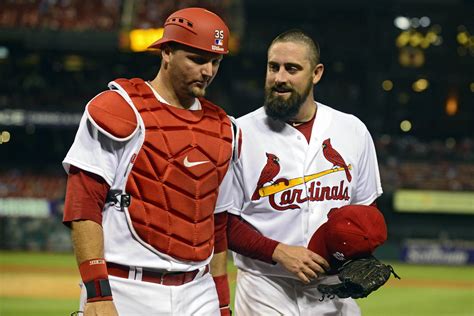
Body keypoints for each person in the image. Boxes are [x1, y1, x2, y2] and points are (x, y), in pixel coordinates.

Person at [63, 7, 235, 316]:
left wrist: (222, 304)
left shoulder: (224, 129)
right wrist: (98, 295)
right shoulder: (119, 108)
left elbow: (217, 225)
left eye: (215, 61)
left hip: (199, 290)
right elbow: (83, 204)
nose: (208, 71)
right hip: (127, 288)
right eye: (197, 60)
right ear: (167, 52)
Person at [227, 29, 383, 315]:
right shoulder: (239, 132)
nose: (280, 78)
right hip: (266, 289)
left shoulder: (352, 130)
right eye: (273, 67)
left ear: (317, 73)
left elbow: (365, 211)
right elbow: (225, 222)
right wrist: (277, 251)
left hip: (334, 290)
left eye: (292, 68)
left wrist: (360, 254)